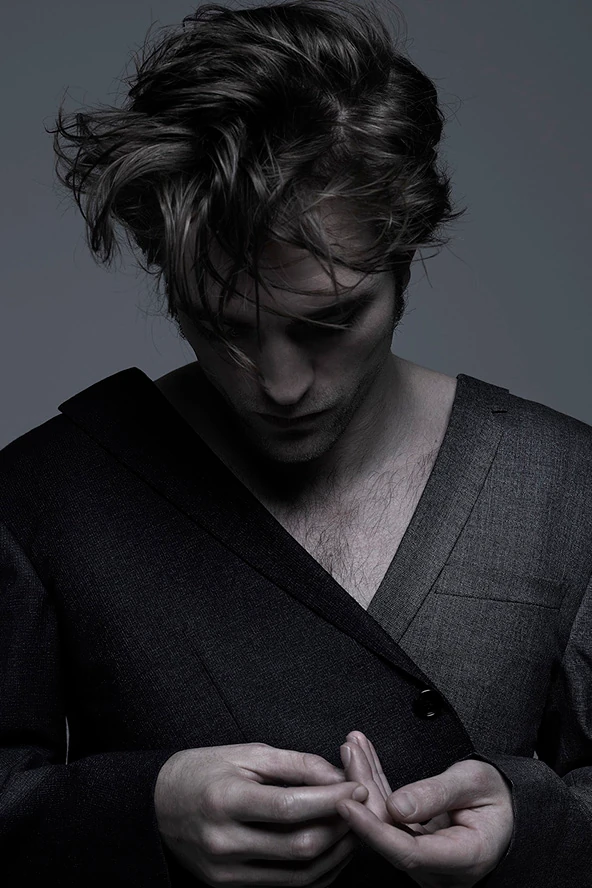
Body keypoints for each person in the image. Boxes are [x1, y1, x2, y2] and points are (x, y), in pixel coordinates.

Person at [1, 1, 590, 886]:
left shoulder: (564, 487)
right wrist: (143, 811)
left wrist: (527, 826)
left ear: (405, 257)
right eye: (222, 326)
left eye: (329, 320)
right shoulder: (44, 497)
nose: (277, 385)